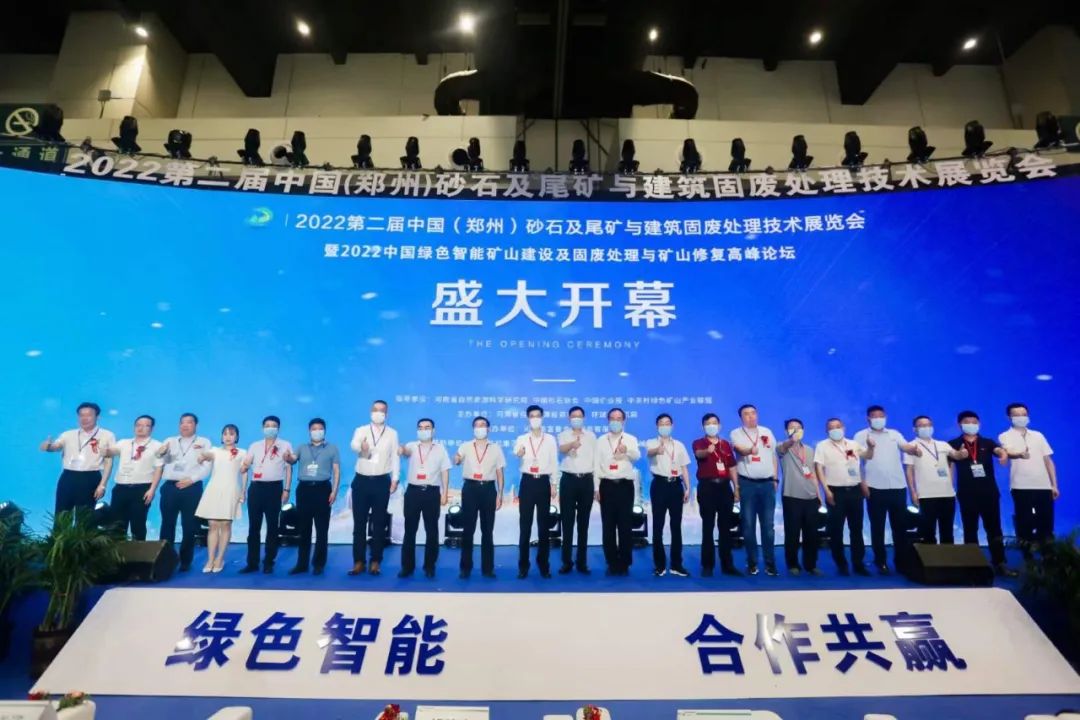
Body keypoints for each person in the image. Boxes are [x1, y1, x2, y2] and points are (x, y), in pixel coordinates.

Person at [947, 411, 1014, 576]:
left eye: (974, 422)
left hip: (989, 493)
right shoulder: (953, 444)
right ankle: (973, 564)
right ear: (959, 424)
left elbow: (999, 450)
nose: (971, 424)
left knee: (994, 529)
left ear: (979, 424)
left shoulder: (987, 442)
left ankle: (999, 563)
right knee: (970, 529)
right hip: (966, 493)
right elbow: (949, 466)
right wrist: (949, 486)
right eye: (967, 422)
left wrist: (1003, 455)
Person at [853, 405, 917, 574]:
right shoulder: (860, 436)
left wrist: (914, 449)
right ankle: (880, 561)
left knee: (900, 527)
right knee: (878, 526)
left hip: (898, 486)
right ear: (868, 418)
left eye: (881, 416)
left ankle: (901, 561)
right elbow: (856, 462)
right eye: (874, 416)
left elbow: (905, 447)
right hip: (874, 487)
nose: (878, 419)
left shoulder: (894, 434)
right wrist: (862, 483)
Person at [814, 418, 876, 576]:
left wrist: (871, 447)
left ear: (843, 428)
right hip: (836, 492)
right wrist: (826, 490)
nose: (835, 429)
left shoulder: (853, 444)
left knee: (856, 529)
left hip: (855, 491)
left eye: (838, 426)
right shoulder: (822, 446)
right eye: (831, 427)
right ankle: (841, 564)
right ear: (827, 431)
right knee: (836, 530)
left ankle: (858, 563)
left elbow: (867, 456)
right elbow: (819, 468)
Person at [999, 403, 1059, 558]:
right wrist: (1020, 454)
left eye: (1024, 414)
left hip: (1043, 486)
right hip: (1021, 486)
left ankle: (1048, 556)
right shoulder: (1005, 435)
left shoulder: (1038, 435)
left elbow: (1048, 461)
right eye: (1017, 415)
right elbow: (1009, 452)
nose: (1021, 417)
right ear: (1009, 417)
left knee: (1046, 522)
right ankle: (1027, 557)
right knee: (1024, 522)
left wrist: (1054, 485)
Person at [348, 400, 400, 576]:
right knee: (359, 524)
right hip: (361, 482)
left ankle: (376, 561)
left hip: (381, 482)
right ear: (371, 412)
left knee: (379, 524)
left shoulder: (392, 433)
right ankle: (358, 562)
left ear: (387, 414)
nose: (378, 413)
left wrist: (395, 479)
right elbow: (353, 445)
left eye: (382, 410)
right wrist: (361, 448)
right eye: (375, 410)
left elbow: (395, 457)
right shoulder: (361, 430)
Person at [40, 402, 116, 519]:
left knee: (85, 517)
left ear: (98, 417)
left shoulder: (107, 435)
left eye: (88, 415)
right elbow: (56, 446)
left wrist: (102, 485)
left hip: (90, 478)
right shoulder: (68, 435)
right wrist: (48, 446)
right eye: (81, 415)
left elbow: (108, 462)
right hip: (68, 477)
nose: (84, 418)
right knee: (62, 515)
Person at [156, 413, 211, 571]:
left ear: (196, 425)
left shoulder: (203, 442)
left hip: (191, 488)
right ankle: (165, 560)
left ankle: (185, 561)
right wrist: (162, 453)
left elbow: (207, 466)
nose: (185, 425)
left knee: (189, 525)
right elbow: (162, 462)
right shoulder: (170, 441)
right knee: (167, 524)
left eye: (189, 422)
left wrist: (192, 480)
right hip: (170, 487)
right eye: (182, 422)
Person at [239, 415, 294, 574]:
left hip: (274, 489)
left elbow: (289, 468)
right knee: (253, 527)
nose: (270, 428)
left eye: (273, 425)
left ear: (278, 428)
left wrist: (287, 489)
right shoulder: (254, 446)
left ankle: (269, 561)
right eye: (267, 425)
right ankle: (252, 563)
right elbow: (246, 465)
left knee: (272, 527)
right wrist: (244, 466)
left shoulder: (285, 445)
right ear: (263, 428)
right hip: (256, 489)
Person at [453, 416, 506, 579]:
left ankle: (488, 568)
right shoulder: (465, 446)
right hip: (470, 488)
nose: (480, 428)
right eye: (477, 425)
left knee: (487, 530)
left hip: (489, 489)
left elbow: (499, 472)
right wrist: (457, 459)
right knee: (468, 529)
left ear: (488, 429)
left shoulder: (496, 448)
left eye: (483, 425)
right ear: (473, 429)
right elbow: (457, 458)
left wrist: (500, 493)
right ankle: (465, 568)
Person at [398, 418, 450, 578]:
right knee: (409, 531)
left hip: (432, 492)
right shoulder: (412, 446)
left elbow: (445, 471)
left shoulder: (440, 448)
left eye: (427, 427)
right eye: (420, 428)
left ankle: (429, 566)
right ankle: (407, 567)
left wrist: (445, 493)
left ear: (433, 431)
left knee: (432, 531)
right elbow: (405, 452)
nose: (423, 430)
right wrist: (402, 449)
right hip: (413, 492)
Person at [730, 404, 778, 576]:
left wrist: (775, 478)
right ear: (741, 417)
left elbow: (773, 456)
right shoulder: (736, 433)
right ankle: (752, 562)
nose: (751, 416)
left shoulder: (767, 432)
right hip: (747, 484)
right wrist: (751, 450)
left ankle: (770, 563)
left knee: (768, 526)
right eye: (746, 414)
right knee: (748, 526)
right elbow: (739, 450)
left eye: (753, 413)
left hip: (767, 484)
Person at [290, 418, 341, 576]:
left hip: (323, 489)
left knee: (322, 530)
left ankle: (319, 564)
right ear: (309, 431)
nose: (317, 431)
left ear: (324, 431)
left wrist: (334, 491)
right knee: (304, 529)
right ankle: (302, 564)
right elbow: (292, 459)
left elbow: (336, 470)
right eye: (314, 429)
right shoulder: (302, 447)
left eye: (320, 429)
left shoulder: (332, 448)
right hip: (304, 490)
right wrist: (287, 457)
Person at [692, 413, 741, 577]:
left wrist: (736, 487)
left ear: (719, 426)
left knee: (725, 527)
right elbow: (699, 454)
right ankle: (707, 565)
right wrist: (708, 451)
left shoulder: (726, 445)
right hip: (707, 487)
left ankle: (728, 565)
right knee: (708, 526)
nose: (711, 426)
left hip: (725, 487)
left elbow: (732, 467)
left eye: (714, 423)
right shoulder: (699, 442)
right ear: (703, 427)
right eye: (708, 423)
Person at [904, 416, 966, 544]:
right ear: (915, 429)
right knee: (928, 531)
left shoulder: (942, 444)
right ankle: (930, 556)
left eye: (928, 425)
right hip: (926, 495)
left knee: (947, 530)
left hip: (947, 494)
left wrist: (962, 453)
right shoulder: (910, 446)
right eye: (922, 425)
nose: (926, 428)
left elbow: (956, 455)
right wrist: (912, 492)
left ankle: (947, 555)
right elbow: (909, 470)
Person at [101, 415, 163, 540]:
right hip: (121, 488)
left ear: (151, 429)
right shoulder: (124, 443)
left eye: (145, 425)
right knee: (116, 524)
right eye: (138, 425)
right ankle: (117, 551)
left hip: (142, 489)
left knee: (138, 524)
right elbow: (110, 452)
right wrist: (104, 449)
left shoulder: (157, 446)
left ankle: (138, 551)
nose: (141, 428)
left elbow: (159, 469)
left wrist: (152, 490)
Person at [513, 405, 558, 579]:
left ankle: (543, 565)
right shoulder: (522, 438)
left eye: (538, 415)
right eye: (532, 416)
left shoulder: (550, 439)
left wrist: (554, 483)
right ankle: (523, 566)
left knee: (543, 527)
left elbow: (554, 462)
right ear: (528, 418)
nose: (535, 419)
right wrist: (520, 452)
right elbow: (517, 452)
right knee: (525, 526)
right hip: (527, 482)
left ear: (542, 417)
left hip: (543, 482)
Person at [595, 407, 641, 576]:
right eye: (613, 418)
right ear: (608, 420)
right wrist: (596, 487)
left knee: (625, 525)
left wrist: (626, 450)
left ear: (624, 421)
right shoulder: (601, 440)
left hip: (625, 485)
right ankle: (612, 561)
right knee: (608, 526)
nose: (616, 421)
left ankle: (625, 562)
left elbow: (637, 456)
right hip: (606, 485)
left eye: (619, 418)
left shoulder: (630, 439)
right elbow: (596, 465)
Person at [194, 424, 246, 573]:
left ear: (237, 437)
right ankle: (210, 559)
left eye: (231, 434)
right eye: (225, 434)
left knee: (226, 524)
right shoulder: (215, 451)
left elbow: (244, 473)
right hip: (214, 490)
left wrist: (243, 491)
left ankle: (220, 558)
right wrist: (201, 455)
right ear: (222, 436)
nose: (228, 437)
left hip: (231, 490)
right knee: (213, 525)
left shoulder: (242, 453)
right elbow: (205, 456)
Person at [645, 413, 691, 577]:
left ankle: (676, 565)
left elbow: (684, 467)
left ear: (672, 426)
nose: (665, 426)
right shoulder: (652, 442)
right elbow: (650, 453)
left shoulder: (679, 445)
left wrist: (688, 487)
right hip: (659, 485)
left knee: (676, 526)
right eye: (661, 423)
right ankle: (660, 565)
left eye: (667, 423)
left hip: (676, 485)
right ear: (657, 426)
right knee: (658, 526)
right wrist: (657, 450)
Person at [778, 418, 822, 576]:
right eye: (792, 428)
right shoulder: (782, 447)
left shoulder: (809, 450)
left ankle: (811, 565)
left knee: (812, 533)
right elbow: (783, 447)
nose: (796, 430)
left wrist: (818, 494)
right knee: (793, 533)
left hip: (811, 497)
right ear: (786, 431)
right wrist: (791, 440)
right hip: (791, 496)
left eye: (799, 428)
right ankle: (793, 564)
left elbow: (813, 473)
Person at [557, 406, 596, 575]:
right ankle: (566, 562)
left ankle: (582, 562)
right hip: (568, 480)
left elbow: (595, 460)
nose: (576, 419)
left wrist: (596, 485)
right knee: (567, 523)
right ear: (569, 418)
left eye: (579, 416)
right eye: (574, 416)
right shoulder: (563, 435)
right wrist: (572, 444)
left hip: (586, 481)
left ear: (584, 418)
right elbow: (561, 449)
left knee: (583, 523)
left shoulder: (591, 436)